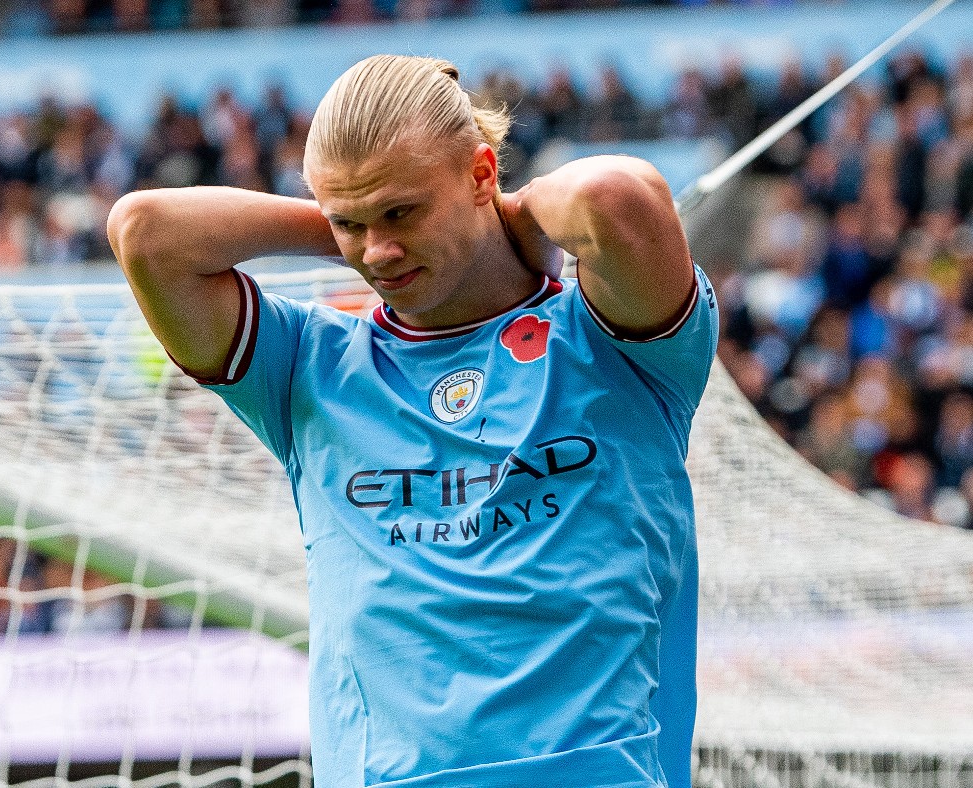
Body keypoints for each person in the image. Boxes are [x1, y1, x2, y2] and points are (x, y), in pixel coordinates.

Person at [107, 54, 717, 788]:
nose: (379, 252)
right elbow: (144, 232)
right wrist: (356, 229)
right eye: (349, 223)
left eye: (402, 212)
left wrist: (510, 214)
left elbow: (612, 197)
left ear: (482, 175)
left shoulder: (612, 342)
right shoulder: (305, 367)